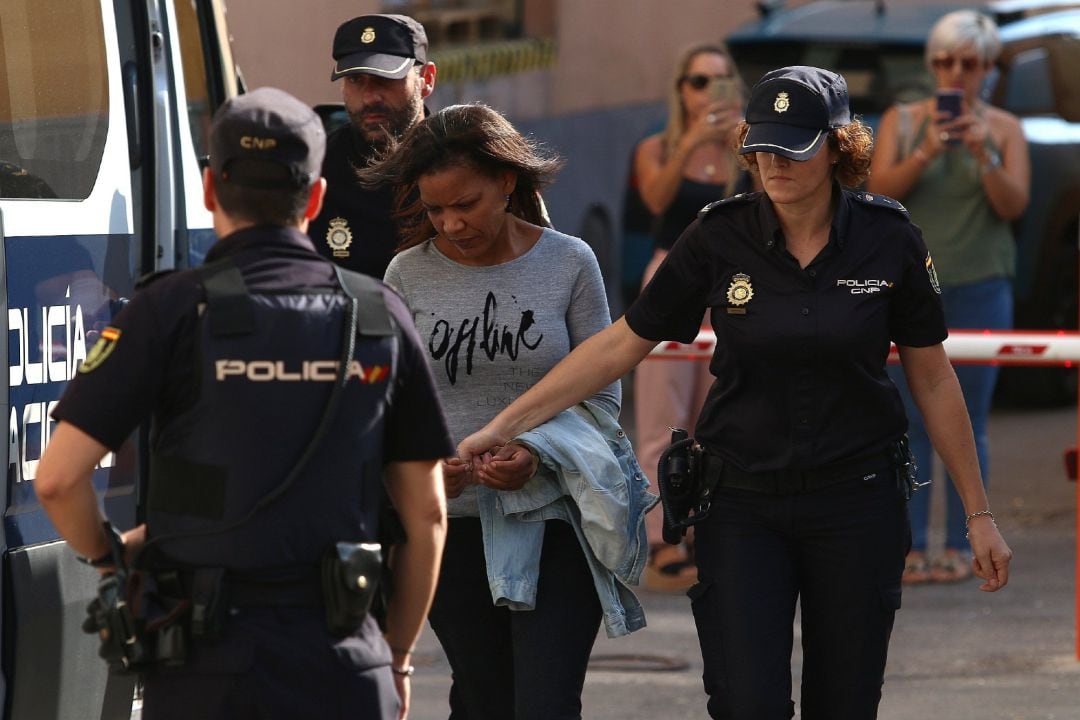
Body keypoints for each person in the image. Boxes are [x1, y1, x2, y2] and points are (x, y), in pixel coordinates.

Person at [459, 66, 1013, 719]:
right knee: (746, 702)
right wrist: (508, 423)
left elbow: (933, 374)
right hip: (742, 504)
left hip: (855, 503)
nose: (772, 161)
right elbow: (619, 345)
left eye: (794, 146)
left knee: (847, 701)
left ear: (839, 146)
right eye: (760, 143)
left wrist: (979, 515)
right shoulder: (718, 234)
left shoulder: (889, 238)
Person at [34, 87, 451, 720]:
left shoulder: (169, 310)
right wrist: (395, 659)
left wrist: (111, 560)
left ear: (209, 190)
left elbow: (58, 482)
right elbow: (427, 520)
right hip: (343, 662)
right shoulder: (376, 314)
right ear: (314, 198)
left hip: (206, 667)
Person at [367, 103, 653, 720]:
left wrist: (535, 453)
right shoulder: (406, 274)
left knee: (546, 703)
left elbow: (602, 395)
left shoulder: (570, 262)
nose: (450, 223)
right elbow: (389, 401)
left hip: (555, 518)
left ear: (506, 181)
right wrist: (421, 470)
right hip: (451, 526)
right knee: (483, 698)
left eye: (464, 204)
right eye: (434, 209)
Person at [866, 10, 1029, 585]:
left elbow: (1014, 206)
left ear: (988, 68)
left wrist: (983, 153)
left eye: (968, 62)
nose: (954, 73)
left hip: (981, 286)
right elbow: (877, 194)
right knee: (909, 422)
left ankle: (966, 543)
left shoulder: (1005, 127)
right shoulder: (903, 121)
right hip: (910, 290)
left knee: (972, 421)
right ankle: (912, 544)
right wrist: (928, 151)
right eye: (943, 61)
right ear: (931, 64)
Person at [631, 42, 755, 591]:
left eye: (721, 80)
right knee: (663, 415)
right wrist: (690, 144)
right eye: (698, 82)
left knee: (716, 415)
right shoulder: (658, 146)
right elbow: (655, 200)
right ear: (681, 89)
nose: (709, 92)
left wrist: (735, 146)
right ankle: (661, 536)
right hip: (670, 277)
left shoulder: (746, 147)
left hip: (731, 282)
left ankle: (709, 526)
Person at [309, 14, 437, 278]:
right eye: (356, 80)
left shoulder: (467, 161)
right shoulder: (317, 167)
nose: (369, 97)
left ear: (427, 79)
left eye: (385, 78)